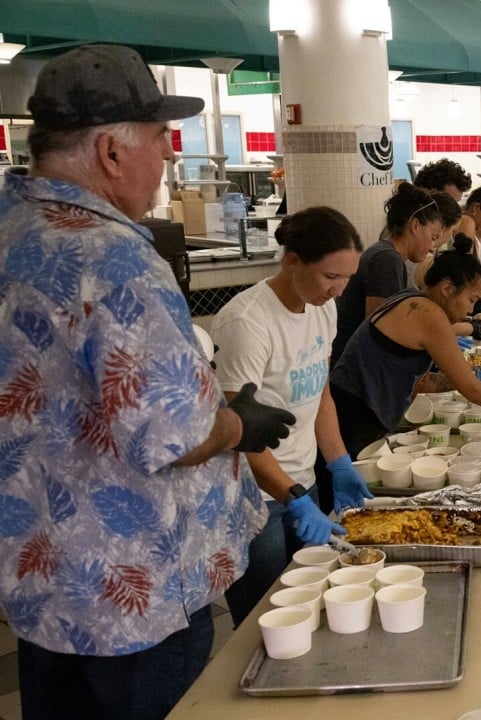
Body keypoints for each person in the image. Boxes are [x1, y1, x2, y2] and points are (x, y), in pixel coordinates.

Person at [0, 44, 294, 720]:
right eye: (161, 137)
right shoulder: (114, 257)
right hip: (130, 599)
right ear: (110, 151)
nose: (167, 155)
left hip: (43, 589)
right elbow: (173, 433)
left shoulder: (12, 230)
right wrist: (235, 423)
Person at [212, 206, 374, 627]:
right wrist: (292, 496)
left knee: (314, 595)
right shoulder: (247, 322)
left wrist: (337, 462)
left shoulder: (322, 308)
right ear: (293, 261)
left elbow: (319, 391)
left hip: (303, 481)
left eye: (347, 278)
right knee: (267, 617)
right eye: (330, 276)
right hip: (256, 496)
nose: (339, 290)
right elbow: (239, 430)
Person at [330, 243, 481, 456]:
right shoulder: (428, 314)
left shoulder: (412, 299)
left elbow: (419, 381)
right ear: (447, 288)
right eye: (471, 299)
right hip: (352, 414)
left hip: (354, 409)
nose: (471, 309)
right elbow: (472, 391)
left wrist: (477, 377)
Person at [332, 183, 443, 364]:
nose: (432, 247)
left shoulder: (387, 254)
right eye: (433, 237)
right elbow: (381, 332)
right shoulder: (387, 260)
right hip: (354, 370)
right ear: (415, 226)